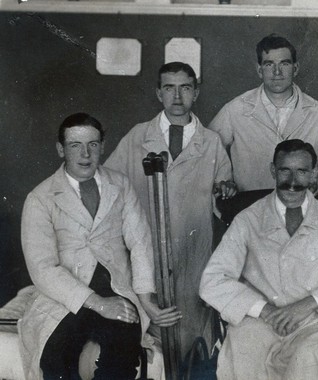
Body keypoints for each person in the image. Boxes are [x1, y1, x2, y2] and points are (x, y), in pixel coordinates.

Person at [20, 113, 180, 380]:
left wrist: (145, 299)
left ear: (103, 146)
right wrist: (97, 304)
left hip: (115, 288)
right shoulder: (40, 198)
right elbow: (43, 269)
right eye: (75, 145)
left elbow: (140, 242)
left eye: (93, 144)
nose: (85, 154)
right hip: (65, 297)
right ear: (61, 149)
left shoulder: (121, 185)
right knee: (57, 358)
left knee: (120, 354)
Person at [200, 139, 318, 379]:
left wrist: (309, 304)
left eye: (302, 171)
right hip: (256, 323)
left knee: (310, 360)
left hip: (312, 324)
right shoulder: (248, 220)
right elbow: (213, 280)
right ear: (273, 170)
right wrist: (263, 309)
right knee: (244, 356)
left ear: (314, 174)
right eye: (285, 170)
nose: (293, 182)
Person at [104, 62, 236, 358]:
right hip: (146, 251)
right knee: (150, 338)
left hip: (193, 252)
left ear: (196, 92)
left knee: (191, 337)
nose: (177, 97)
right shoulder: (137, 137)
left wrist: (225, 189)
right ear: (158, 93)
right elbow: (109, 187)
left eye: (185, 88)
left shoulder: (212, 142)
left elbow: (224, 190)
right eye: (169, 88)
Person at [208, 34, 318, 191]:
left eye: (284, 64)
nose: (277, 72)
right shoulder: (235, 110)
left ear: (295, 68)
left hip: (302, 208)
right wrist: (224, 182)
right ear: (259, 70)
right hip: (249, 207)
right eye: (269, 64)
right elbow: (207, 150)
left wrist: (317, 185)